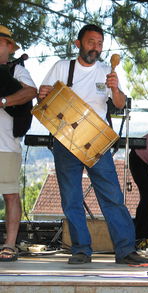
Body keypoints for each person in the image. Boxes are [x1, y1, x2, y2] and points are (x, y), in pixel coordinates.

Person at [38, 24, 148, 265]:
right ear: (78, 44)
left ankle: (125, 250)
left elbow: (120, 104)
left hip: (96, 141)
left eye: (99, 43)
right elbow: (44, 97)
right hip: (65, 138)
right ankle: (80, 250)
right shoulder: (61, 67)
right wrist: (43, 93)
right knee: (71, 197)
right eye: (91, 42)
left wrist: (115, 88)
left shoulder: (107, 71)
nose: (96, 48)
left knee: (111, 195)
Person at [0, 25, 37, 262]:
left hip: (5, 144)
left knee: (10, 194)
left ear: (9, 46)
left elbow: (30, 92)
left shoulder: (17, 71)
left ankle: (10, 245)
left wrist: (3, 100)